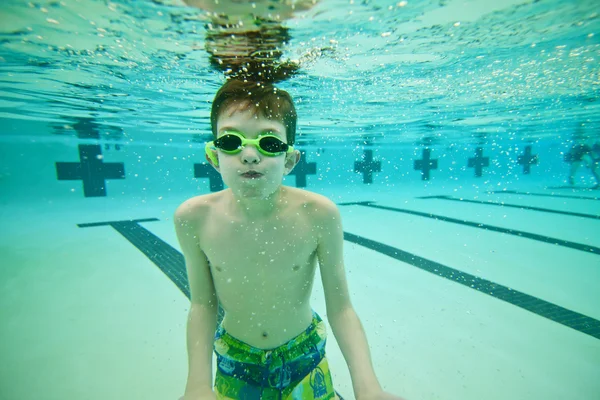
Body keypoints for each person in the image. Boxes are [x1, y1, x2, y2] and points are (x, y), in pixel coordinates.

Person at [174, 79, 406, 400]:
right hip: (236, 363)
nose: (250, 155)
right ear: (214, 156)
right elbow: (203, 305)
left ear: (290, 160)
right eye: (231, 140)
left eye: (269, 143)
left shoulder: (318, 215)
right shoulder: (194, 218)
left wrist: (368, 387)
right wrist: (196, 385)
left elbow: (341, 309)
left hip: (304, 360)